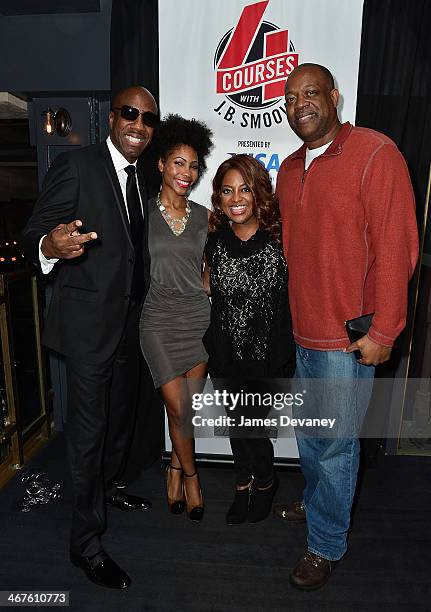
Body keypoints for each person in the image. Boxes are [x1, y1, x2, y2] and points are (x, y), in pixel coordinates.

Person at [272, 63, 418, 590]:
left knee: (336, 444)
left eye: (311, 93)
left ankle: (325, 544)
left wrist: (384, 331)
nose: (300, 103)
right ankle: (316, 504)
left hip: (348, 337)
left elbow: (397, 247)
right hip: (303, 331)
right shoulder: (289, 169)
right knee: (314, 437)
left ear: (334, 96)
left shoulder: (375, 154)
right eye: (290, 97)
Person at [22, 86, 159, 589]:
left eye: (147, 118)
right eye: (129, 113)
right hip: (86, 330)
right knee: (87, 436)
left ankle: (112, 485)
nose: (138, 125)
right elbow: (33, 230)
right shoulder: (77, 165)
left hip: (128, 326)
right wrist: (49, 245)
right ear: (111, 118)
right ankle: (86, 545)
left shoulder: (143, 178)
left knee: (120, 420)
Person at [203, 154, 295, 525]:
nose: (236, 197)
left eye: (244, 189)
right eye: (227, 190)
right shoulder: (214, 243)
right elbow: (206, 288)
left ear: (258, 194)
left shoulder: (281, 241)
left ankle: (266, 481)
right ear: (219, 198)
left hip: (269, 356)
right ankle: (243, 483)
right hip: (225, 354)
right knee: (235, 427)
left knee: (252, 428)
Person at [139, 114, 213, 521]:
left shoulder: (204, 216)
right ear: (162, 165)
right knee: (180, 409)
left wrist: (207, 282)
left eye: (194, 165)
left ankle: (172, 469)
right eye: (179, 163)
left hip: (196, 322)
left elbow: (210, 264)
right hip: (157, 323)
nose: (187, 172)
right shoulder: (143, 214)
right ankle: (192, 478)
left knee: (185, 410)